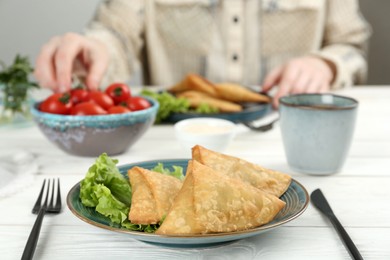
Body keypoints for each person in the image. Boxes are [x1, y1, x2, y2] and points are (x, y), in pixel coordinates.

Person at [34, 0, 371, 107]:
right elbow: (114, 34)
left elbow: (353, 45)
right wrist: (93, 51)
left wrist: (325, 64)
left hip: (285, 132)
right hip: (174, 142)